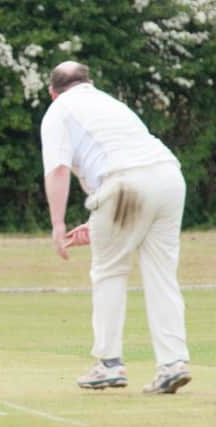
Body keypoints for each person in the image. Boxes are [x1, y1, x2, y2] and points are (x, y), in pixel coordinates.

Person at [40, 61, 192, 394]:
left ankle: (109, 364)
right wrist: (98, 226)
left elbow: (59, 171)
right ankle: (173, 363)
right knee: (162, 274)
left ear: (52, 92)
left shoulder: (58, 111)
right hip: (168, 177)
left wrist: (57, 224)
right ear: (88, 82)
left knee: (109, 272)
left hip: (123, 185)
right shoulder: (110, 103)